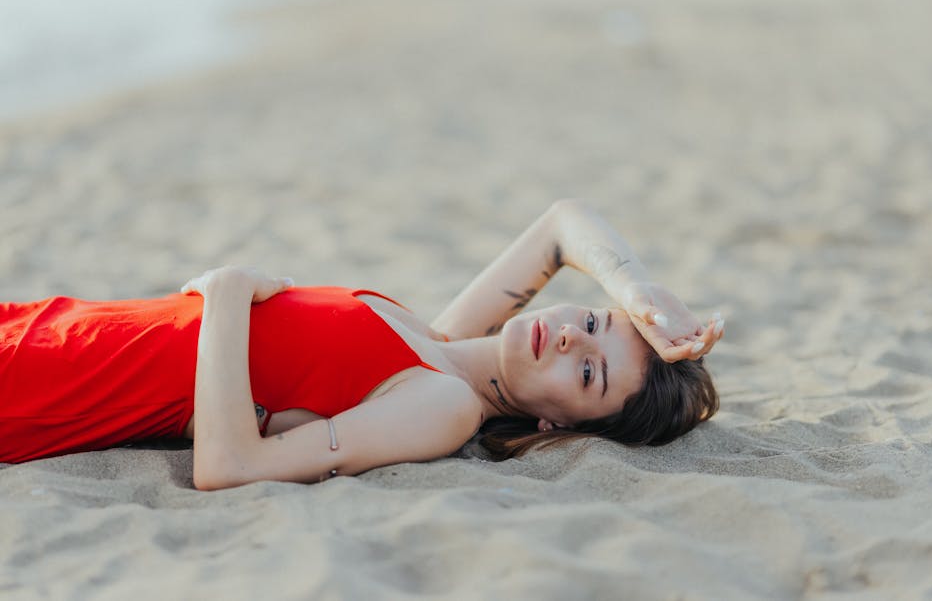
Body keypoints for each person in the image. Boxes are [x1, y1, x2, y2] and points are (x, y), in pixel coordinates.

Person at [0, 199, 721, 487]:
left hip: (55, 383)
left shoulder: (442, 404)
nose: (568, 334)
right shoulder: (444, 342)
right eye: (590, 322)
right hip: (53, 325)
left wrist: (224, 293)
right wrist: (637, 293)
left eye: (588, 370)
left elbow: (228, 465)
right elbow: (563, 224)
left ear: (555, 423)